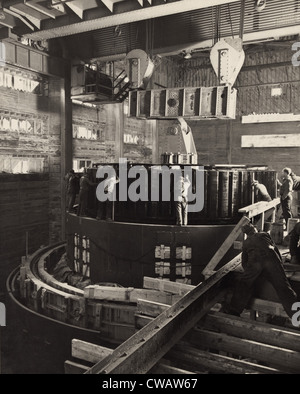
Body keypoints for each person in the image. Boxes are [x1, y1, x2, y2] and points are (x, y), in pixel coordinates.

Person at [222, 220, 298, 319]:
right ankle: (296, 316)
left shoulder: (246, 243)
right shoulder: (265, 234)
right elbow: (276, 251)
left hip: (255, 262)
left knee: (244, 283)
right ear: (255, 229)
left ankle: (234, 311)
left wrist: (251, 273)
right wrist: (279, 266)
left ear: (247, 234)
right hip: (271, 259)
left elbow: (244, 262)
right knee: (283, 286)